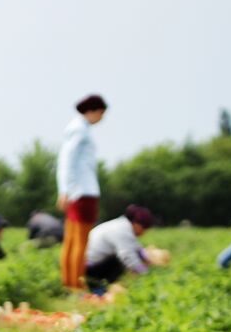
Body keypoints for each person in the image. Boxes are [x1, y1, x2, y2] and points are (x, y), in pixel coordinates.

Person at [57, 94, 108, 290]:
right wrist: (65, 190)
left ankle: (69, 281)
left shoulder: (77, 128)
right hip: (83, 191)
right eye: (101, 114)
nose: (101, 118)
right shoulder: (80, 130)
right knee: (80, 241)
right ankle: (77, 283)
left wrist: (65, 189)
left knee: (71, 240)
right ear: (93, 111)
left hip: (77, 191)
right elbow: (67, 162)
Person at [85, 204, 157, 291]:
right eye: (144, 228)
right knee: (123, 259)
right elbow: (128, 256)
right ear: (136, 224)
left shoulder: (122, 225)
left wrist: (147, 260)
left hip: (93, 264)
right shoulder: (121, 230)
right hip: (90, 268)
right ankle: (98, 289)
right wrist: (146, 274)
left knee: (128, 257)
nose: (143, 233)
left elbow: (137, 248)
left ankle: (105, 287)